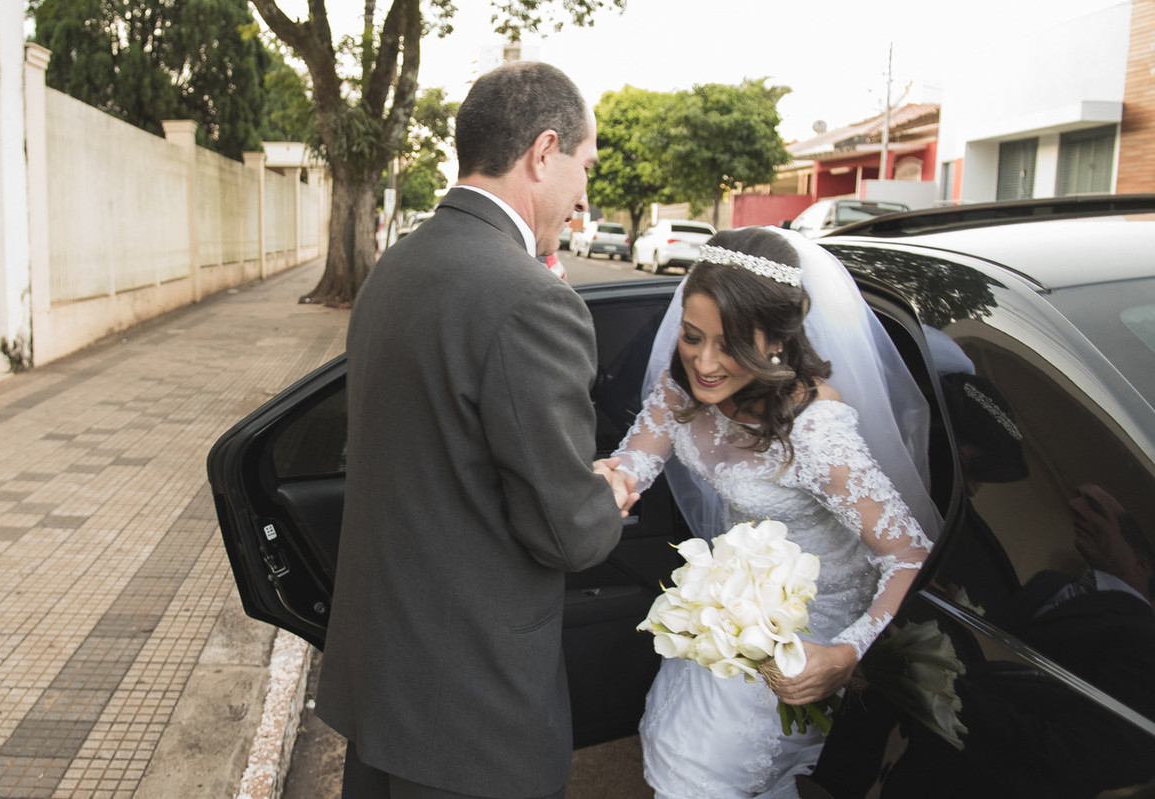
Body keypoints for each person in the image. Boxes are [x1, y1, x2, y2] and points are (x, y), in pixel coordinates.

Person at [315, 61, 637, 799]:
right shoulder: (530, 300)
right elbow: (566, 530)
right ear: (543, 151)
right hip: (471, 719)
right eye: (584, 167)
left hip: (382, 690)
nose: (584, 194)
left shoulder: (395, 268)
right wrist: (608, 488)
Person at [602, 226, 939, 798]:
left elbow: (910, 556)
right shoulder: (682, 387)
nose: (704, 362)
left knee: (709, 766)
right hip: (733, 609)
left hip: (812, 627)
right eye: (691, 335)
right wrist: (613, 478)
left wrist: (844, 655)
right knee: (685, 751)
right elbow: (637, 458)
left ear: (777, 340)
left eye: (729, 344)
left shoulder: (814, 430)